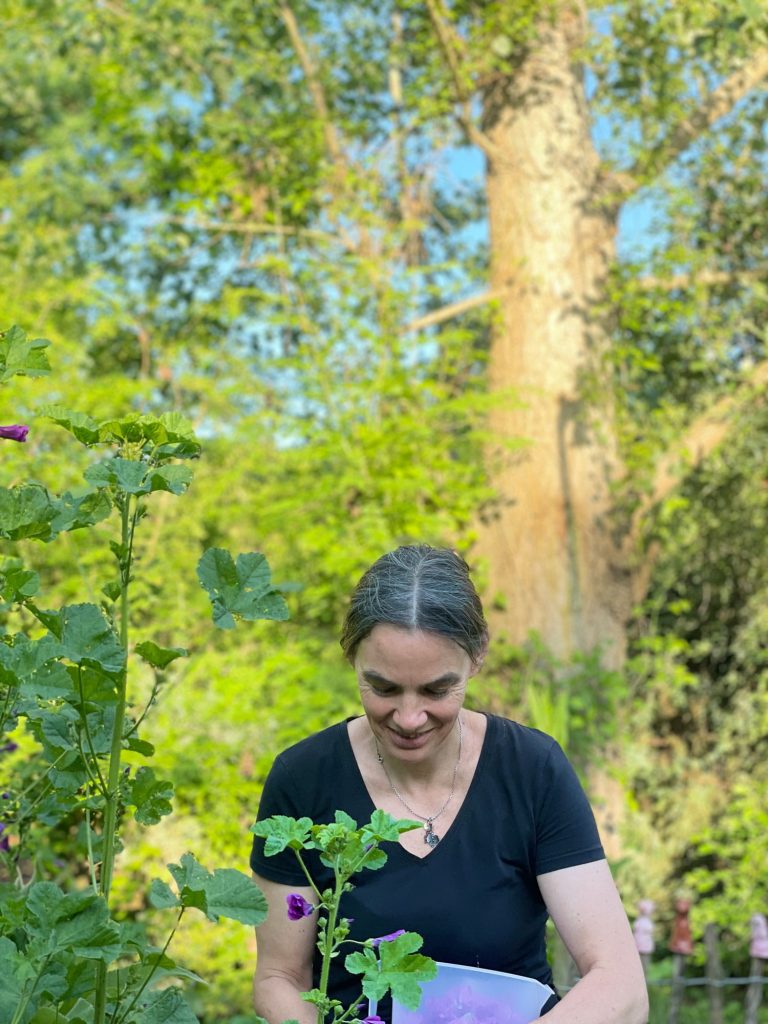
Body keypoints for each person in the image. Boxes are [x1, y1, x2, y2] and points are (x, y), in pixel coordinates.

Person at [250, 545, 648, 1024]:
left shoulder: (532, 770)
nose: (409, 717)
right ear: (351, 657)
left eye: (437, 690)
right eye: (383, 688)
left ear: (477, 655)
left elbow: (620, 985)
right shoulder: (304, 779)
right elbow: (279, 978)